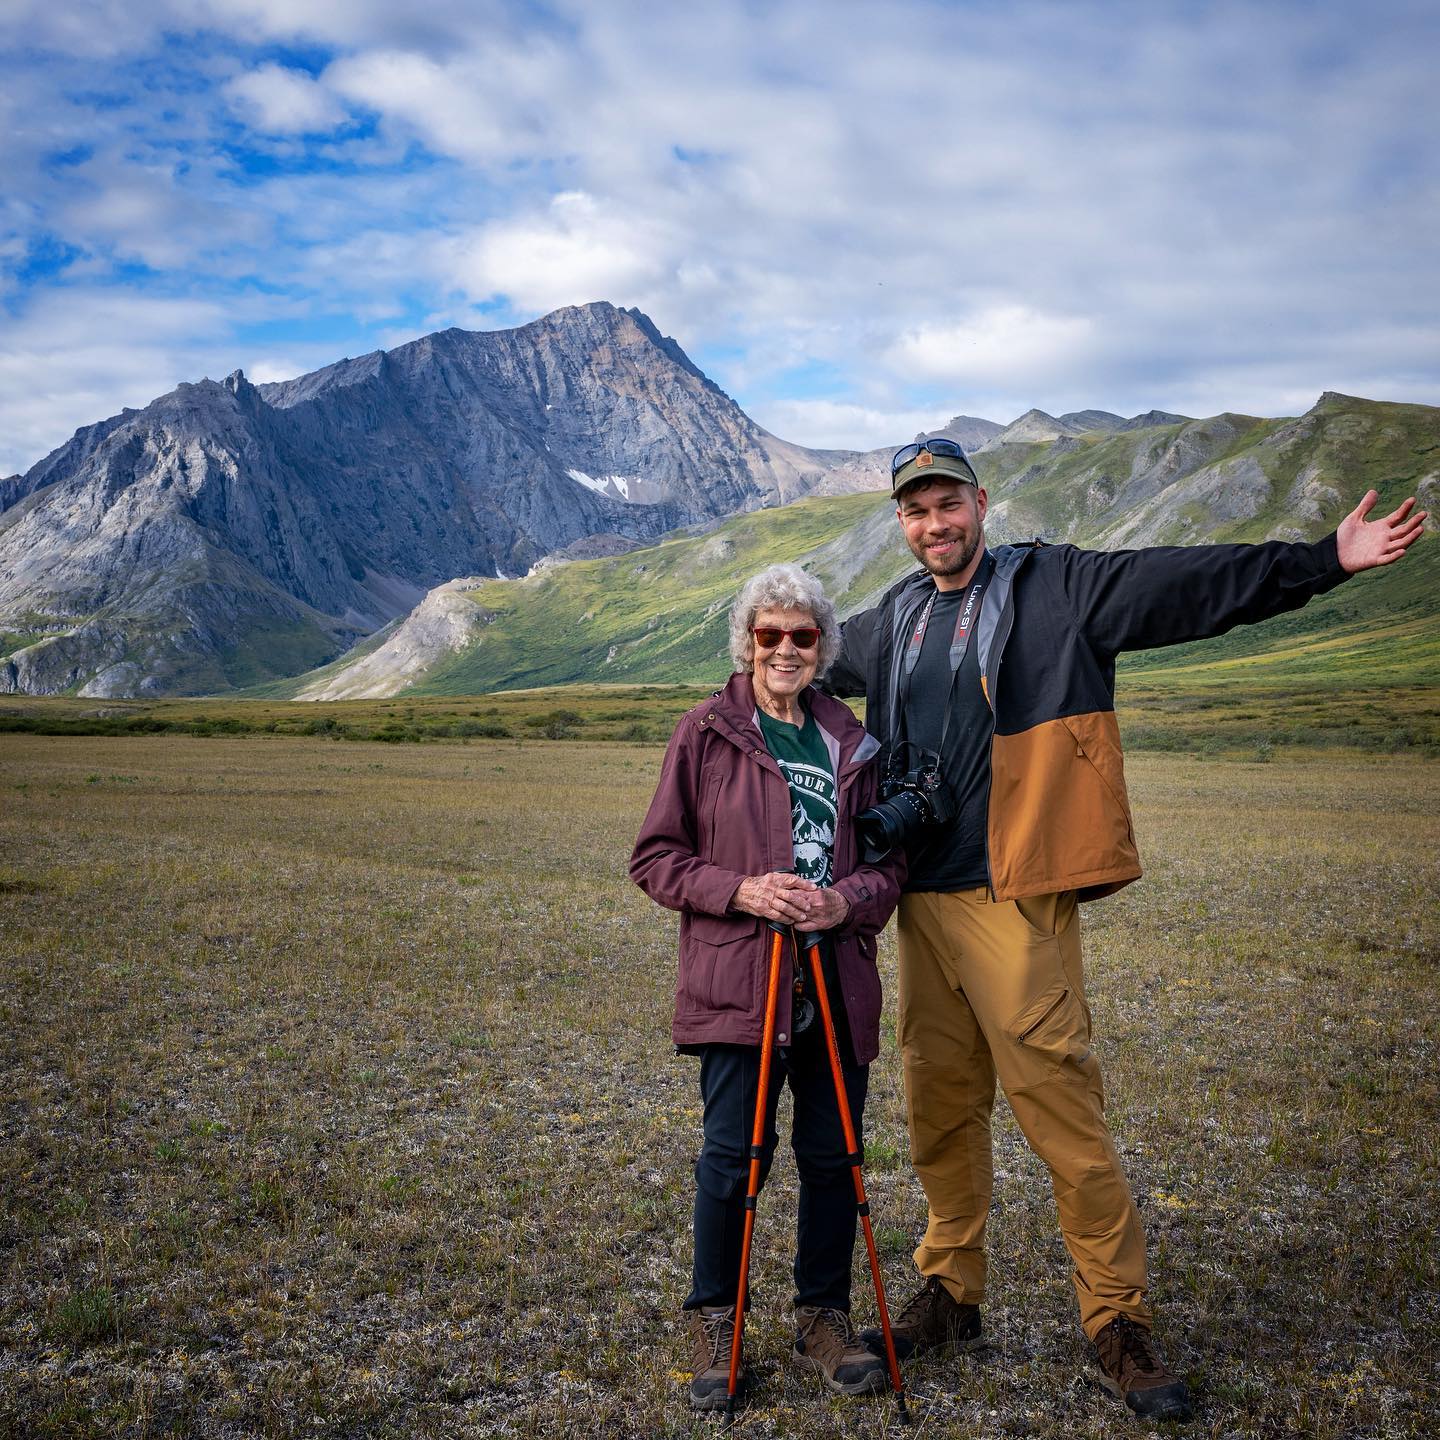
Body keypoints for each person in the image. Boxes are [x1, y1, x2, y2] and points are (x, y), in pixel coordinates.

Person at [823, 438, 1426, 1422]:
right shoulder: (890, 621)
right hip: (917, 900)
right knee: (938, 1111)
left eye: (948, 504)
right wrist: (749, 651)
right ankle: (951, 1294)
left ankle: (1117, 1321)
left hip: (1015, 894)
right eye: (915, 510)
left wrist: (1322, 560)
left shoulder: (1057, 587)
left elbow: (1185, 585)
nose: (935, 524)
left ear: (982, 502)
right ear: (901, 521)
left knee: (1061, 1114)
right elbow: (798, 649)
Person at [630, 563, 906, 1411]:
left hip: (833, 976)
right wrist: (742, 891)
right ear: (746, 642)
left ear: (822, 647)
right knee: (732, 1158)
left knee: (832, 1157)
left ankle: (823, 1316)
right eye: (768, 635)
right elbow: (656, 858)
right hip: (741, 980)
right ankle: (716, 1318)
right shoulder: (705, 733)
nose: (785, 649)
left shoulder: (852, 740)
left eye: (802, 636)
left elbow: (889, 868)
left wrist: (842, 901)